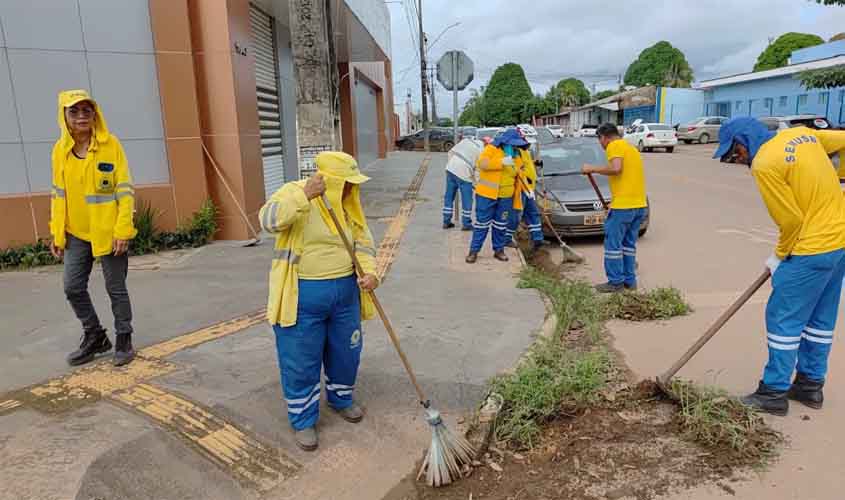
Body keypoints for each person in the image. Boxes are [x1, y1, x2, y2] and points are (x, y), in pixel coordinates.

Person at [714, 117, 845, 416]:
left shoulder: (764, 163)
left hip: (810, 248)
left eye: (736, 153)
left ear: (743, 142)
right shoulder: (803, 136)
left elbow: (791, 221)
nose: (738, 159)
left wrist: (779, 256)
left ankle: (773, 392)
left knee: (783, 320)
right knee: (820, 319)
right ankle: (810, 386)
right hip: (840, 243)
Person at [259, 151, 380, 451]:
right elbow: (268, 220)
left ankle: (341, 399)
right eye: (348, 183)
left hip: (345, 295)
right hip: (301, 296)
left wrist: (371, 273)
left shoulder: (349, 204)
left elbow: (363, 242)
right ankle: (303, 419)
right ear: (334, 181)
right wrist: (304, 196)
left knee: (346, 351)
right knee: (301, 359)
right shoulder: (294, 191)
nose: (354, 188)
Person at [49, 90, 137, 367]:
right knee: (72, 287)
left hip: (109, 232)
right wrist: (57, 233)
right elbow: (57, 195)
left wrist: (123, 230)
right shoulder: (59, 151)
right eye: (74, 111)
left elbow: (125, 190)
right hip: (76, 233)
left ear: (95, 113)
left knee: (116, 288)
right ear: (64, 116)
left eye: (87, 110)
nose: (81, 116)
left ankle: (124, 337)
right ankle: (95, 335)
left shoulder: (111, 145)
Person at [581, 123, 648, 293]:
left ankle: (615, 282)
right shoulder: (631, 149)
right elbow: (628, 179)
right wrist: (615, 201)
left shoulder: (614, 145)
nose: (601, 144)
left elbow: (616, 168)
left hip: (624, 208)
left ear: (604, 137)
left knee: (613, 245)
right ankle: (629, 281)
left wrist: (592, 168)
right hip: (638, 205)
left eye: (600, 140)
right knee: (628, 245)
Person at [466, 129, 531, 264]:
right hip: (486, 195)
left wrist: (527, 187)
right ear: (504, 142)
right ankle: (473, 251)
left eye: (516, 145)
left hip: (506, 197)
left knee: (501, 225)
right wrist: (501, 162)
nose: (514, 147)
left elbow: (520, 173)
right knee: (481, 224)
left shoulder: (517, 155)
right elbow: (482, 164)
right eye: (512, 145)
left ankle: (499, 250)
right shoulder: (491, 149)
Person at [506, 142, 545, 251]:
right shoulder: (515, 151)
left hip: (529, 189)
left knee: (533, 213)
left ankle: (537, 239)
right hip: (521, 188)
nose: (529, 145)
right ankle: (507, 237)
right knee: (517, 215)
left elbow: (526, 164)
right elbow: (517, 167)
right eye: (528, 142)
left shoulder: (526, 152)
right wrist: (525, 178)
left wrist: (535, 163)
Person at [443, 137, 483, 230]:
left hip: (450, 169)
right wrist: (477, 185)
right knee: (467, 200)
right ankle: (466, 224)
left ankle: (446, 221)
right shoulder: (482, 151)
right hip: (464, 173)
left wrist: (451, 165)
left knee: (449, 197)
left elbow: (450, 152)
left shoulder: (466, 141)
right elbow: (478, 171)